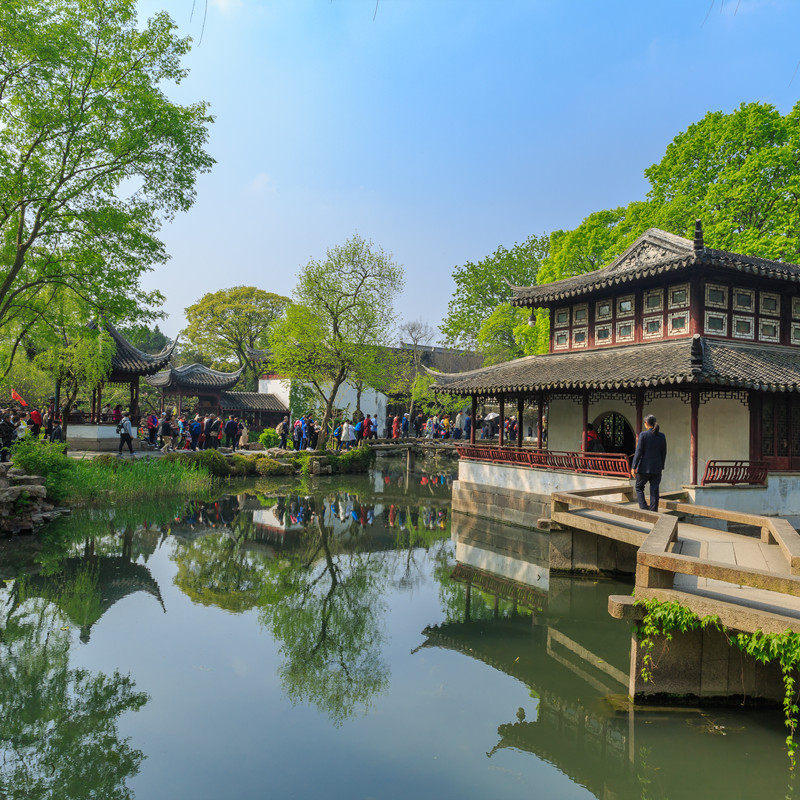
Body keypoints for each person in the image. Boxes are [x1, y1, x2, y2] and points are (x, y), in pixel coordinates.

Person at [631, 414, 667, 511]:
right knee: (654, 489)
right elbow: (664, 453)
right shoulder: (662, 436)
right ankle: (653, 511)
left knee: (639, 487)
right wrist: (661, 466)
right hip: (657, 468)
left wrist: (633, 467)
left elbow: (638, 452)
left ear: (646, 423)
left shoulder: (643, 435)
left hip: (644, 468)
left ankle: (643, 508)